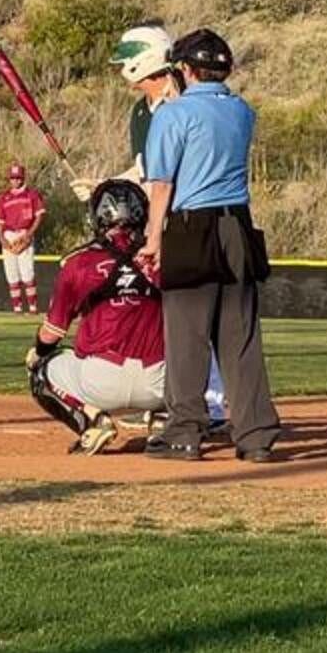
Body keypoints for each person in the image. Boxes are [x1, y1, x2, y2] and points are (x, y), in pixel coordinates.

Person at [73, 24, 231, 438]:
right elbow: (147, 169)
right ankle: (179, 403)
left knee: (198, 318)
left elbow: (174, 174)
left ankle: (213, 405)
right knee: (169, 317)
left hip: (188, 220)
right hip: (156, 222)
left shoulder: (182, 103)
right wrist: (105, 185)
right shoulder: (143, 111)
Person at [137, 29, 282, 463]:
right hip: (237, 225)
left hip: (190, 226)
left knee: (187, 336)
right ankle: (255, 435)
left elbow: (161, 184)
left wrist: (152, 238)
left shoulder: (173, 114)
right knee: (240, 337)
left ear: (183, 69)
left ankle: (184, 430)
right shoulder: (242, 110)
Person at [24, 179, 166, 456]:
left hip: (101, 381)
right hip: (159, 383)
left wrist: (37, 352)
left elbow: (52, 333)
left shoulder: (78, 263)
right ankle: (165, 420)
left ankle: (92, 422)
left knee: (42, 368)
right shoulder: (166, 258)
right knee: (196, 348)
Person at [0, 163, 46, 314]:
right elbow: (0, 222)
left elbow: (39, 216)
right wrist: (1, 238)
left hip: (24, 232)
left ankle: (33, 307)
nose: (15, 181)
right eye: (12, 178)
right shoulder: (3, 197)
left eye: (17, 178)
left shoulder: (32, 195)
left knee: (27, 272)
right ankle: (17, 307)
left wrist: (30, 233)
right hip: (9, 234)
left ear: (23, 178)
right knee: (11, 273)